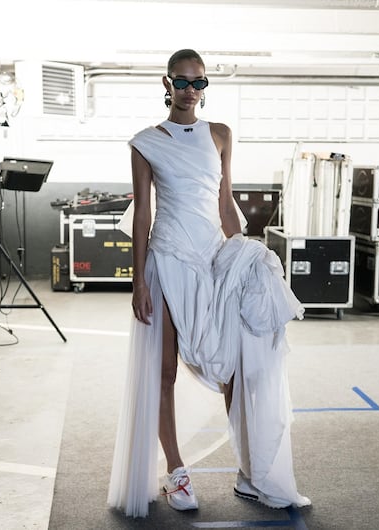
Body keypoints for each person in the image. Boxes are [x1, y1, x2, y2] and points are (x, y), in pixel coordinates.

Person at [107, 48, 311, 518]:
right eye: (181, 82)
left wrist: (243, 259)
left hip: (215, 259)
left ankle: (252, 470)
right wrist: (138, 282)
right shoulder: (145, 142)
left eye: (198, 82)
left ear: (204, 86)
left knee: (235, 368)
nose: (190, 91)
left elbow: (225, 202)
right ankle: (176, 470)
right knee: (163, 372)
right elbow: (143, 215)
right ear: (167, 84)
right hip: (167, 261)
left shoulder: (219, 134)